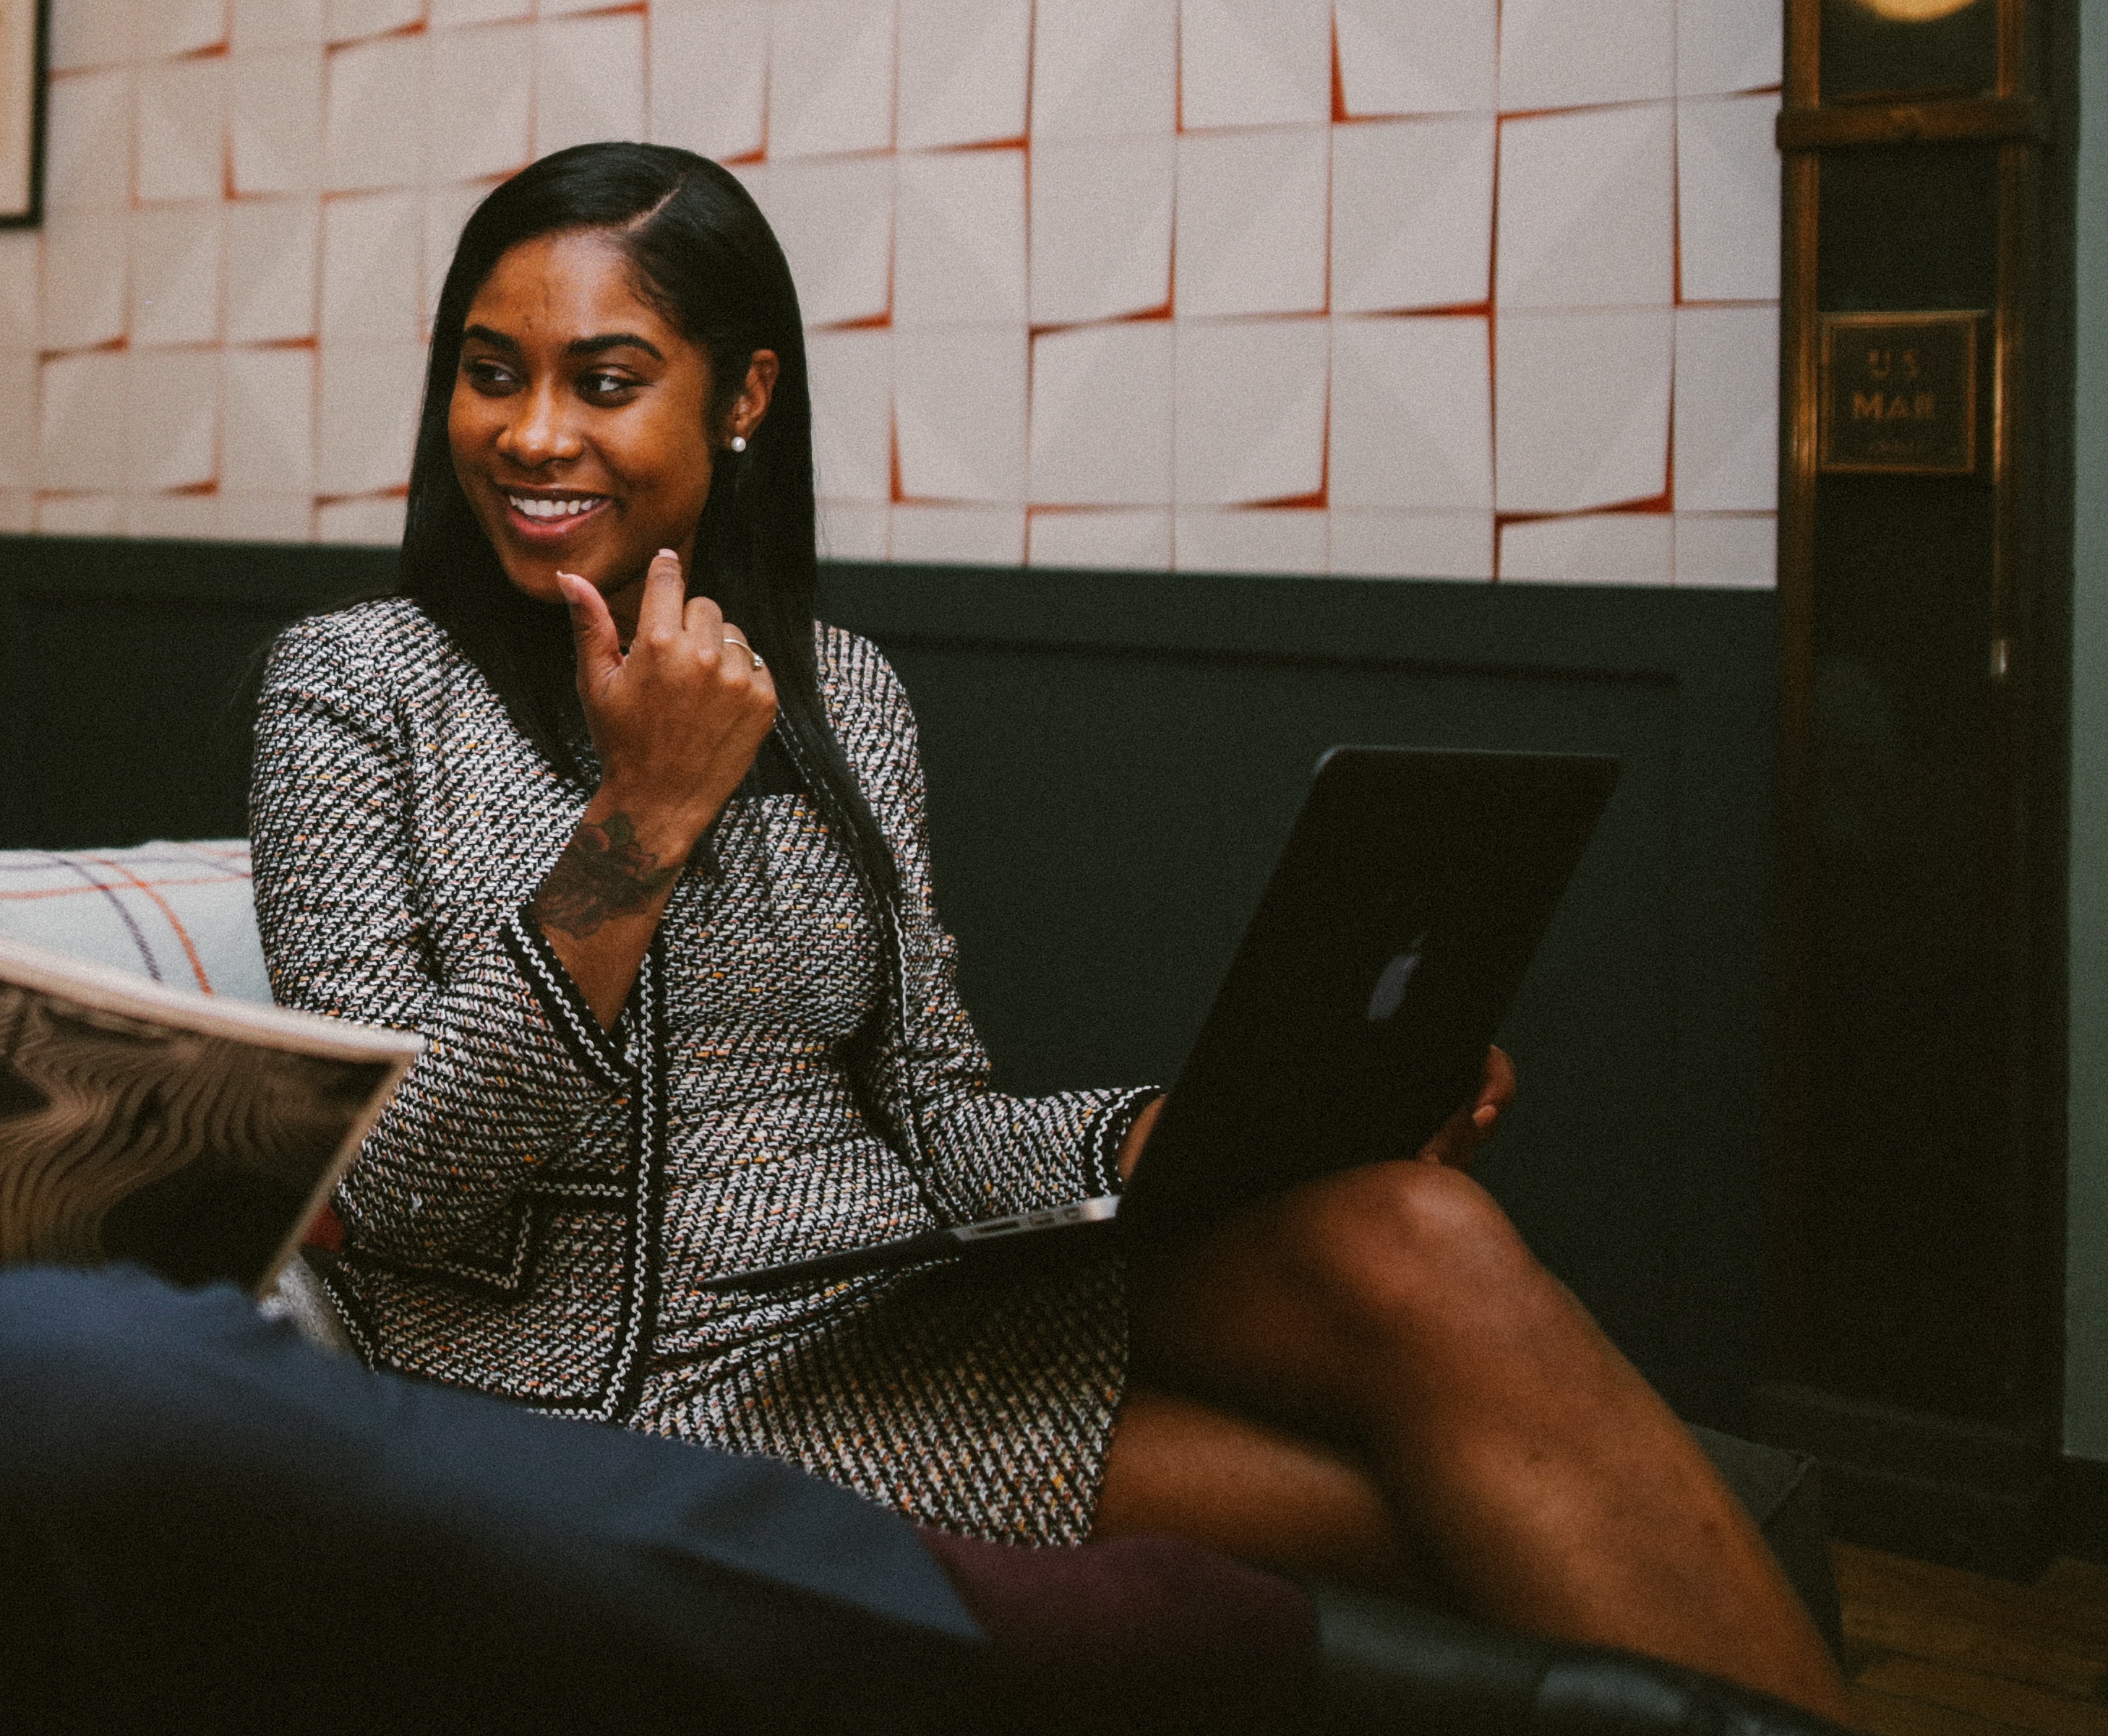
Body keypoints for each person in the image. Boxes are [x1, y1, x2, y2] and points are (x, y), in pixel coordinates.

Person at [0, 123, 1849, 1736]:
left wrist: (1170, 1146)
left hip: (107, 1498)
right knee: (66, 1366)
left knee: (1398, 1267)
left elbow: (901, 1121)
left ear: (737, 413)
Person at [247, 140, 1854, 1726]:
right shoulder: (352, 689)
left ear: (741, 400)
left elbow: (933, 1118)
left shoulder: (845, 698)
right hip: (602, 1401)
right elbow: (390, 1186)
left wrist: (1180, 1131)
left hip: (877, 1324)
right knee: (1475, 1521)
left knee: (1403, 1223)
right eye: (489, 373)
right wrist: (640, 821)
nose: (532, 434)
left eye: (604, 381)